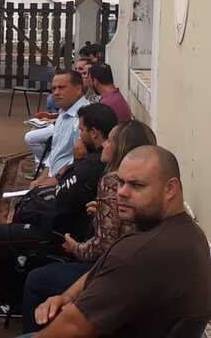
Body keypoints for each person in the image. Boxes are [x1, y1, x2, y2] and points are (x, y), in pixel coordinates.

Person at [18, 146, 211, 338]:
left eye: (136, 185)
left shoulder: (140, 253)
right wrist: (66, 297)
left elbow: (73, 326)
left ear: (170, 189)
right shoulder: (188, 232)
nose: (121, 192)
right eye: (121, 182)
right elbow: (102, 270)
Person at [0, 103, 117, 320]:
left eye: (81, 130)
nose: (79, 136)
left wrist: (77, 162)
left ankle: (12, 303)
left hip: (67, 237)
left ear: (94, 133)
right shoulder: (96, 161)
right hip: (69, 230)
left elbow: (63, 198)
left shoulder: (94, 165)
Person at [21, 120, 156, 332]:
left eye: (110, 141)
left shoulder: (114, 181)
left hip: (113, 275)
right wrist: (102, 212)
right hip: (135, 272)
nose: (104, 145)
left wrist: (75, 248)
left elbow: (104, 247)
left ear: (121, 147)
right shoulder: (148, 183)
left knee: (36, 279)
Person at [30, 71, 90, 189]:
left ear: (78, 89)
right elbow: (55, 152)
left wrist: (56, 178)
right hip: (53, 180)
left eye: (61, 88)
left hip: (67, 185)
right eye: (53, 89)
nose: (56, 93)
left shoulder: (84, 118)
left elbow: (80, 161)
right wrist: (42, 178)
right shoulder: (63, 112)